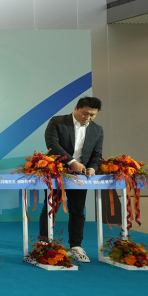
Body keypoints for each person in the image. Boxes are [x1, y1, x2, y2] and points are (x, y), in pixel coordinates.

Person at [39, 96, 104, 263]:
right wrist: (71, 161)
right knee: (51, 207)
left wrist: (92, 168)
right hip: (56, 172)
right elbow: (52, 145)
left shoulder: (97, 130)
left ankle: (75, 246)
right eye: (85, 113)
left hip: (80, 177)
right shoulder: (57, 122)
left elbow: (97, 155)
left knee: (78, 210)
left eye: (92, 115)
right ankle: (44, 243)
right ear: (76, 108)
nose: (88, 118)